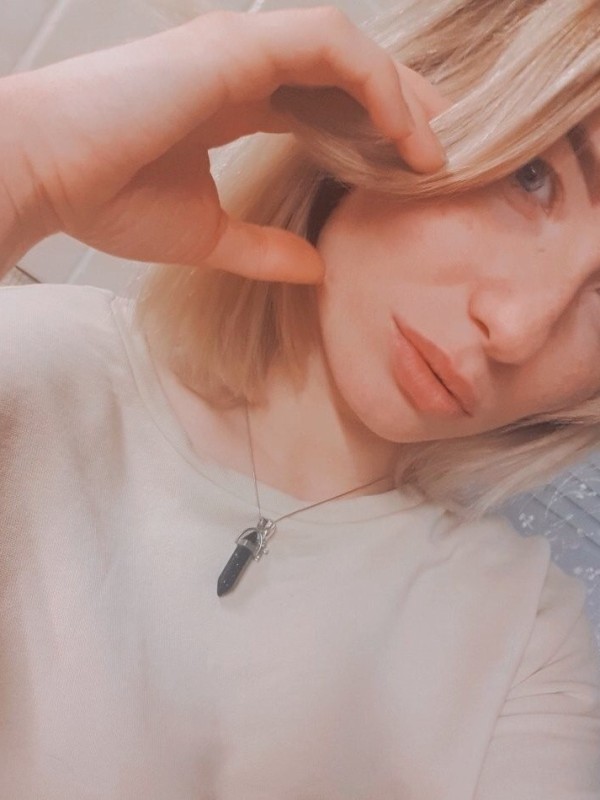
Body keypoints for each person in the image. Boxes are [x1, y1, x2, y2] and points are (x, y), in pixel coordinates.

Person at [0, 0, 599, 797]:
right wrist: (23, 164)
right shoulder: (36, 370)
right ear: (395, 102)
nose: (518, 328)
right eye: (533, 177)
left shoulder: (528, 643)